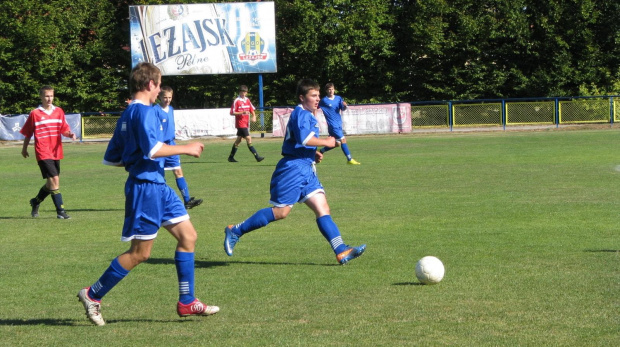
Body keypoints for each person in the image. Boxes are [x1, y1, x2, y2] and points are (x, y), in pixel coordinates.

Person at [77, 62, 219, 326]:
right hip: (146, 189)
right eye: (158, 85)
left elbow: (112, 158)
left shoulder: (128, 113)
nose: (160, 92)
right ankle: (92, 294)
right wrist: (185, 149)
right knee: (140, 253)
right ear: (150, 84)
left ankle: (187, 302)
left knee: (188, 236)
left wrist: (136, 160)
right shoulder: (142, 112)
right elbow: (153, 149)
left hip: (158, 187)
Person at [223, 79, 366, 265]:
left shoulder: (306, 114)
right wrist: (326, 143)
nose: (317, 99)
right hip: (293, 169)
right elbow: (305, 138)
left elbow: (299, 141)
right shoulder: (302, 114)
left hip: (305, 167)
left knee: (323, 208)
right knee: (281, 212)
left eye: (318, 95)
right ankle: (236, 230)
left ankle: (341, 250)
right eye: (313, 96)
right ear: (302, 97)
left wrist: (312, 153)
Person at [21, 85, 77, 219]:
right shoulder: (35, 113)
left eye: (51, 96)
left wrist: (70, 134)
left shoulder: (59, 111)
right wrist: (24, 148)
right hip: (43, 151)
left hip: (56, 150)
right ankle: (61, 211)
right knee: (55, 180)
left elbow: (63, 129)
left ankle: (36, 201)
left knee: (50, 183)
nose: (49, 98)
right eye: (46, 96)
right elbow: (28, 133)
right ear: (41, 97)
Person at [154, 86, 203, 209]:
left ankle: (187, 201)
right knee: (159, 175)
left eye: (170, 97)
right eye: (165, 97)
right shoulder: (155, 110)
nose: (167, 100)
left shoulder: (170, 109)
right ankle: (159, 202)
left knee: (178, 171)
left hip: (171, 144)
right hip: (160, 146)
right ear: (159, 97)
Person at [318, 83, 360, 165]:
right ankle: (349, 159)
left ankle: (321, 151)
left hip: (338, 124)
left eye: (332, 89)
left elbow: (342, 108)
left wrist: (344, 106)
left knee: (337, 143)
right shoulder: (323, 101)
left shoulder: (338, 98)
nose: (331, 91)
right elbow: (315, 107)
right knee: (343, 139)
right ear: (326, 91)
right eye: (329, 89)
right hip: (333, 125)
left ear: (334, 89)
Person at [227, 85, 264, 163]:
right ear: (239, 92)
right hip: (240, 124)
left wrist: (254, 116)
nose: (243, 93)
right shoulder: (237, 101)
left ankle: (231, 157)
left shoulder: (247, 100)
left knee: (239, 140)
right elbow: (232, 112)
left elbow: (252, 109)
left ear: (246, 93)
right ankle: (257, 157)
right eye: (242, 92)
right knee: (248, 138)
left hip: (246, 123)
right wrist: (242, 112)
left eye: (244, 92)